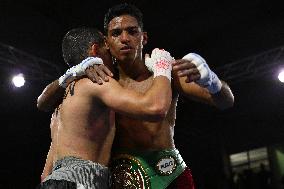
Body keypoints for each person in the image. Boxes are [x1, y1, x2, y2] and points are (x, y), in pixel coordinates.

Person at [37, 3, 234, 189]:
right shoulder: (99, 79)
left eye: (132, 31)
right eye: (116, 33)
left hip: (167, 175)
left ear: (144, 38)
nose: (124, 38)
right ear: (107, 41)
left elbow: (226, 101)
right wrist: (72, 73)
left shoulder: (164, 73)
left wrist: (213, 81)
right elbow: (43, 102)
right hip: (118, 180)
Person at [37, 27, 174, 189]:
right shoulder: (97, 82)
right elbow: (154, 108)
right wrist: (162, 68)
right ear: (96, 49)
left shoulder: (61, 101)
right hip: (83, 182)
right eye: (107, 47)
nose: (112, 53)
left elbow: (45, 174)